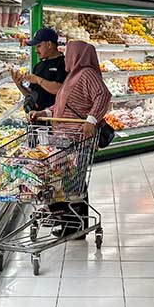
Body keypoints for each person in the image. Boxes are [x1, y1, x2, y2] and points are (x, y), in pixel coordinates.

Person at [30, 41, 111, 237]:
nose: (65, 58)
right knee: (70, 181)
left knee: (73, 181)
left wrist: (91, 120)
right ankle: (72, 223)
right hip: (65, 138)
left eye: (68, 54)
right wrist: (43, 113)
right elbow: (62, 106)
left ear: (78, 56)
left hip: (77, 138)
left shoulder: (87, 74)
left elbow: (103, 96)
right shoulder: (73, 76)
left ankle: (75, 225)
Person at [12, 27, 65, 113]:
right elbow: (32, 95)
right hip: (36, 118)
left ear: (49, 44)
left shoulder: (64, 64)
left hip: (54, 119)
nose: (36, 50)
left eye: (39, 46)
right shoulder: (38, 66)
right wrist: (19, 84)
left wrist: (37, 80)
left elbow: (60, 90)